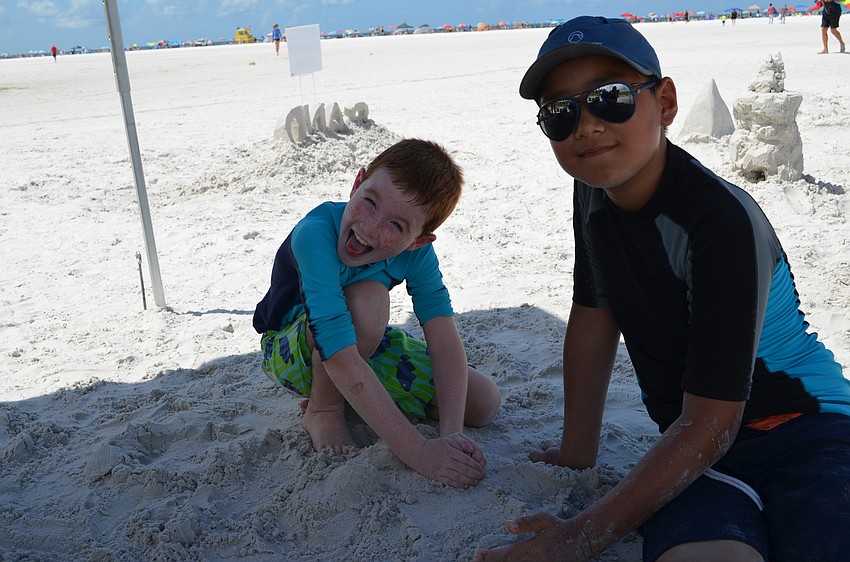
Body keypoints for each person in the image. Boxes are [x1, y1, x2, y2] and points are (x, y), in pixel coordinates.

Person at [475, 15, 850, 561]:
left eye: (611, 97)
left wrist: (577, 538)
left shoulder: (716, 221)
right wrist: (577, 455)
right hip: (691, 452)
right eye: (560, 113)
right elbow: (593, 315)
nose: (587, 125)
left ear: (666, 103)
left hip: (806, 434)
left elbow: (713, 420)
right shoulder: (594, 193)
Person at [253, 139, 501, 489]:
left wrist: (451, 436)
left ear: (417, 241)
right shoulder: (315, 234)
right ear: (357, 184)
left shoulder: (416, 255)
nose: (370, 227)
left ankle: (355, 400)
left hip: (362, 344)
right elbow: (338, 353)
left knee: (483, 401)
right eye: (369, 202)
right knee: (369, 301)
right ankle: (323, 409)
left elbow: (444, 339)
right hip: (290, 348)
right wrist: (421, 453)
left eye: (397, 226)